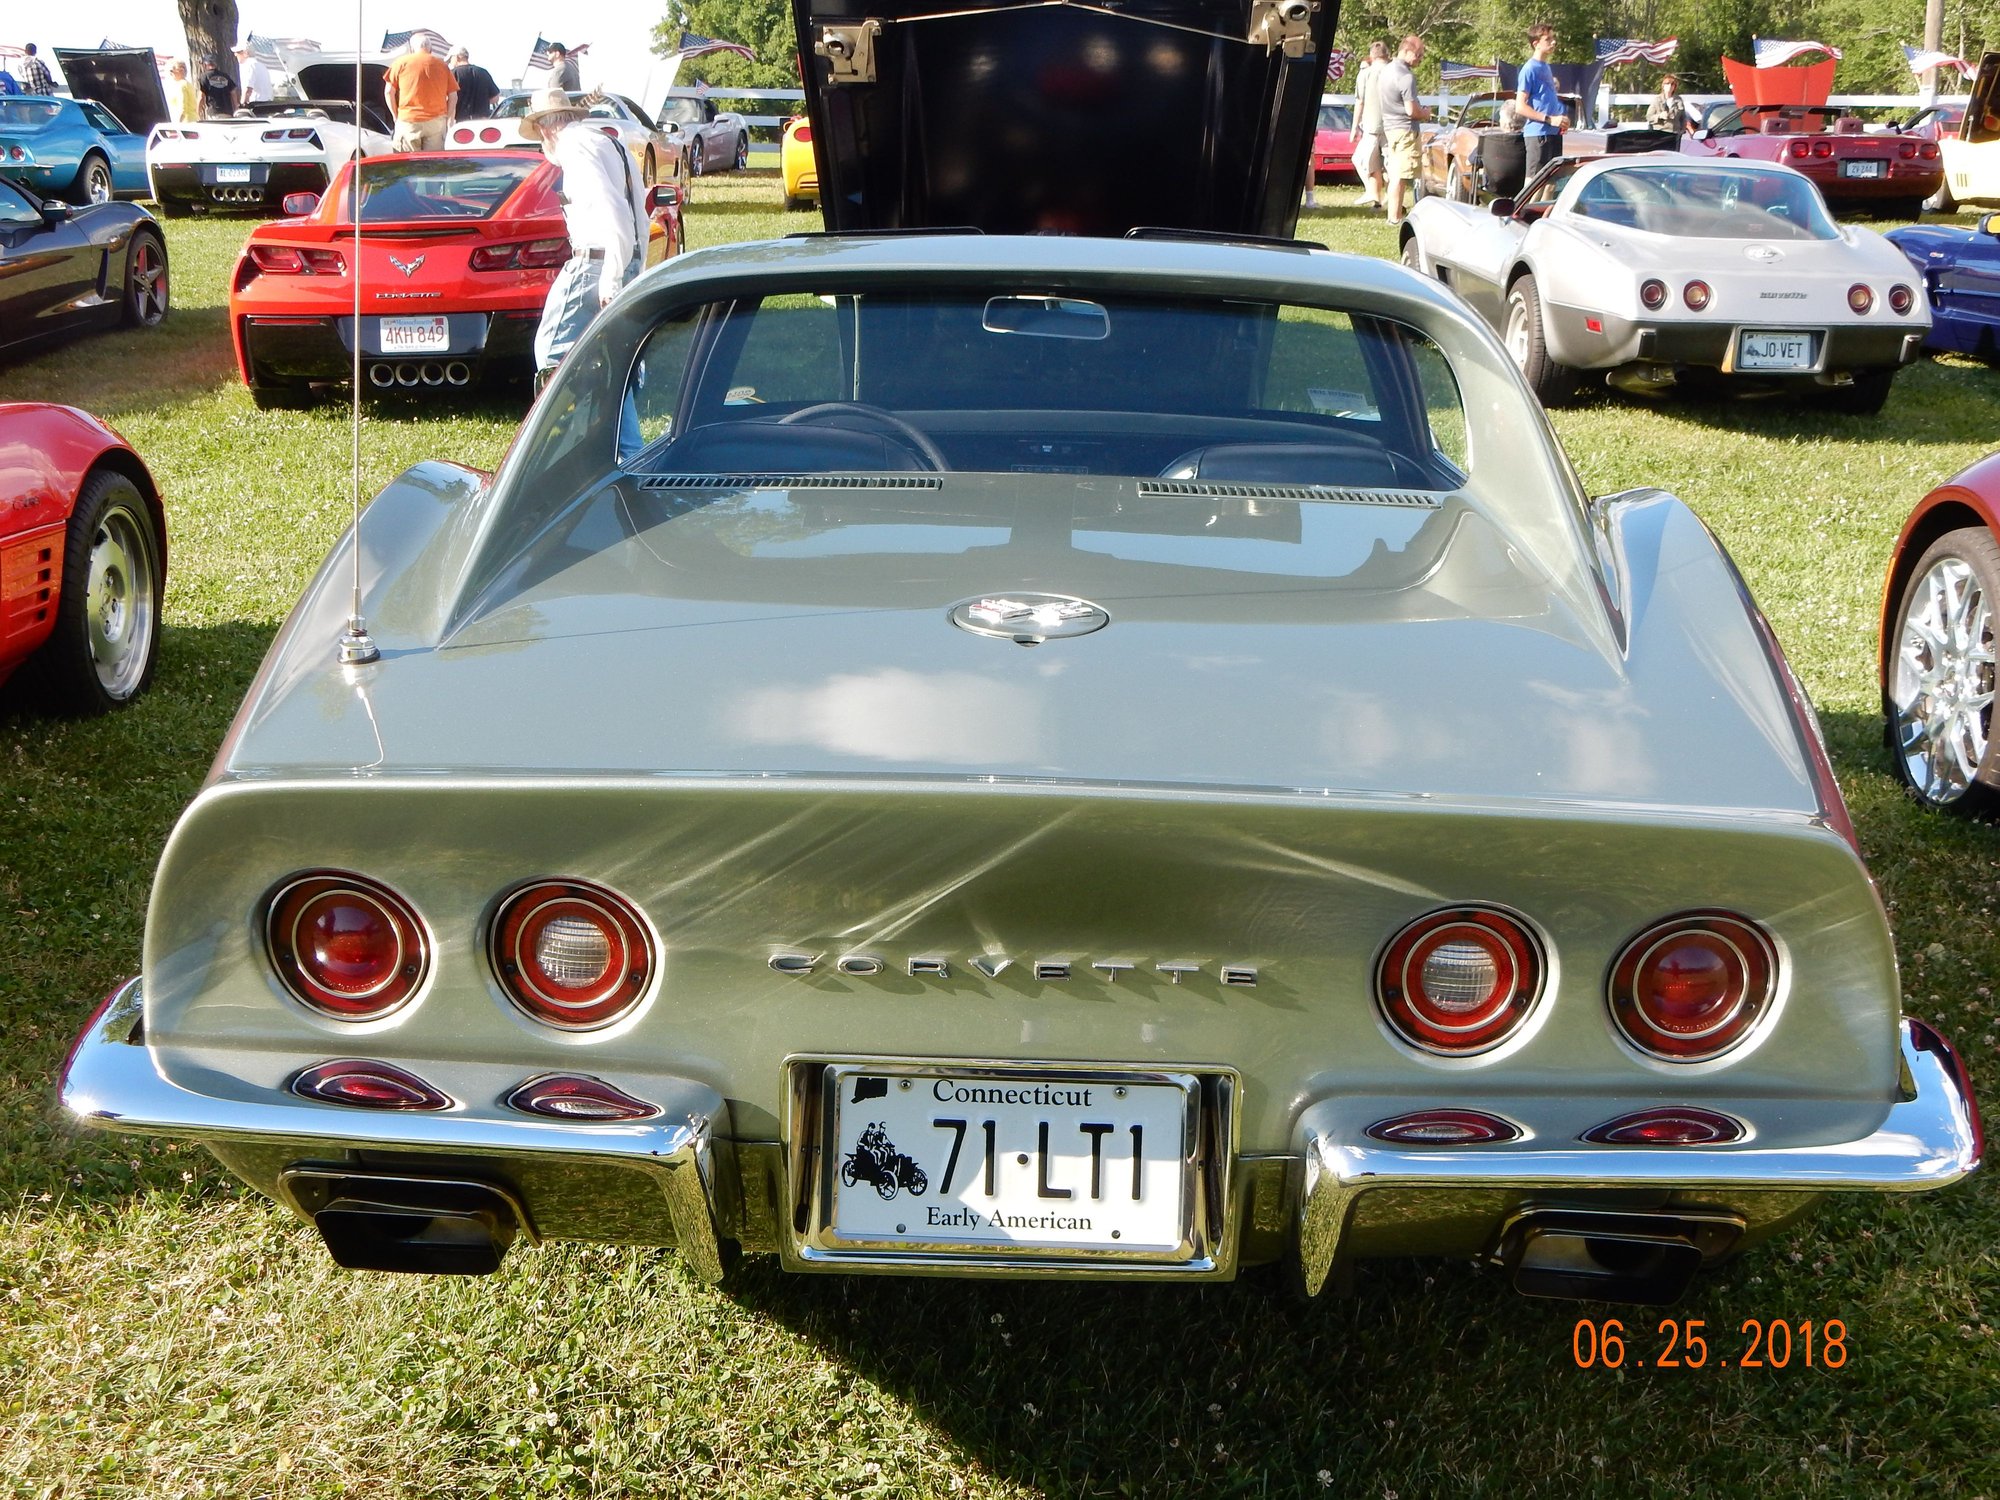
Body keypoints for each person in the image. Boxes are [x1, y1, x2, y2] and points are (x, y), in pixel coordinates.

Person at [523, 86, 647, 396]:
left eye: (539, 134)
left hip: (594, 266)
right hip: (622, 261)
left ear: (545, 127)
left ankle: (565, 439)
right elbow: (639, 214)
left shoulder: (575, 147)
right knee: (617, 364)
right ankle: (627, 445)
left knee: (551, 352)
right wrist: (633, 267)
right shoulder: (611, 143)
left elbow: (614, 209)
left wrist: (611, 278)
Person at [1379, 35, 1428, 226]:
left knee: (1394, 173)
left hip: (1390, 127)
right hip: (1405, 129)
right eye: (1418, 54)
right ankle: (1395, 217)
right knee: (1400, 176)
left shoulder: (1386, 70)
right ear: (1406, 50)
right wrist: (1425, 113)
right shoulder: (1406, 76)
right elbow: (1411, 111)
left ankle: (1394, 213)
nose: (1420, 59)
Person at [383, 32, 457, 152]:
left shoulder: (400, 63)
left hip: (408, 120)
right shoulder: (442, 66)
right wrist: (446, 118)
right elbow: (453, 96)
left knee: (407, 165)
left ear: (412, 49)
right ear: (430, 48)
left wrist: (395, 116)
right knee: (433, 165)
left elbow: (388, 92)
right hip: (437, 122)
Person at [1515, 23, 1567, 182]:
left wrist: (1560, 119)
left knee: (1551, 184)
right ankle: (1525, 208)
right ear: (1536, 44)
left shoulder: (1546, 67)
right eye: (1548, 39)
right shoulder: (1529, 69)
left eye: (1553, 38)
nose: (1553, 42)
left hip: (1553, 133)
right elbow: (1520, 106)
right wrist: (1549, 119)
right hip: (1538, 134)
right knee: (1534, 184)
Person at [1349, 40, 1388, 209]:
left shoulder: (1365, 74)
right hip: (1393, 125)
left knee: (1362, 161)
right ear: (1387, 54)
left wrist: (1354, 127)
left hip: (1372, 126)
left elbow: (1360, 102)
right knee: (1386, 165)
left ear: (1372, 55)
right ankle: (1382, 201)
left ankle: (1373, 193)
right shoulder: (1395, 71)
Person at [450, 47, 499, 123]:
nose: (450, 62)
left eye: (451, 58)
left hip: (460, 121)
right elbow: (495, 98)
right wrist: (482, 101)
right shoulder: (483, 72)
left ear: (457, 57)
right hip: (482, 120)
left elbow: (448, 98)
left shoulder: (453, 74)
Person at [196, 53, 237, 118]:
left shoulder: (204, 77)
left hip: (214, 112)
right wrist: (236, 108)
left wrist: (197, 113)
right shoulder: (225, 76)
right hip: (228, 112)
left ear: (205, 64)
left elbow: (201, 96)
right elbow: (233, 92)